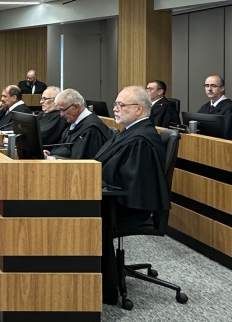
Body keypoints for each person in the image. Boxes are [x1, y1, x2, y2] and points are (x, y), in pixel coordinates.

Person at [94, 86, 169, 305]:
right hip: (115, 202)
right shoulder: (129, 132)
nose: (115, 109)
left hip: (127, 209)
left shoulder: (141, 140)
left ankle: (103, 288)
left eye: (120, 105)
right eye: (115, 105)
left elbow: (131, 185)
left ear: (138, 110)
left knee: (87, 217)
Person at [47, 88, 111, 159]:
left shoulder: (91, 129)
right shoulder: (74, 123)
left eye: (63, 110)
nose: (61, 114)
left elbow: (82, 161)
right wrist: (51, 154)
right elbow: (65, 148)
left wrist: (55, 157)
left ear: (76, 107)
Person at [196, 75, 232, 143]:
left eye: (213, 86)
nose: (209, 89)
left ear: (222, 88)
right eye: (207, 85)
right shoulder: (205, 108)